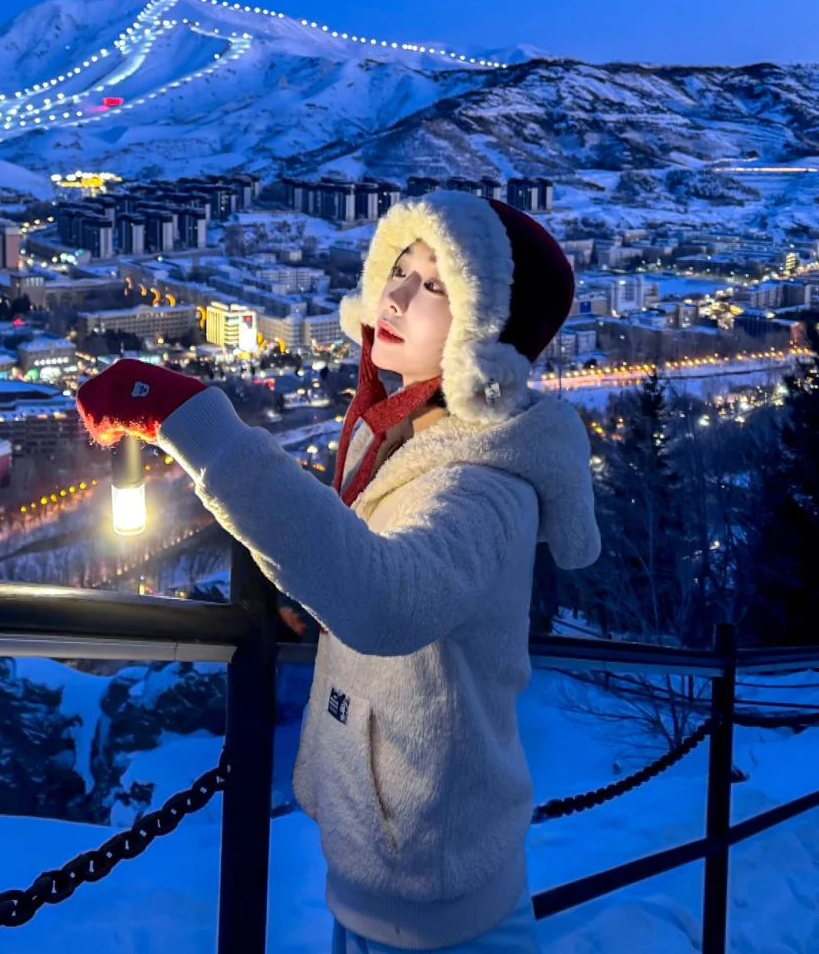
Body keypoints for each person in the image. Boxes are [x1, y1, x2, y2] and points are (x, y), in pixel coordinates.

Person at [76, 191, 602, 952]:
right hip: (390, 871)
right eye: (398, 268)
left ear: (490, 334)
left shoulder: (483, 485)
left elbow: (386, 600)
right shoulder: (413, 434)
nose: (393, 295)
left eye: (437, 285)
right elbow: (366, 564)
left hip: (438, 901)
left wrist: (197, 425)